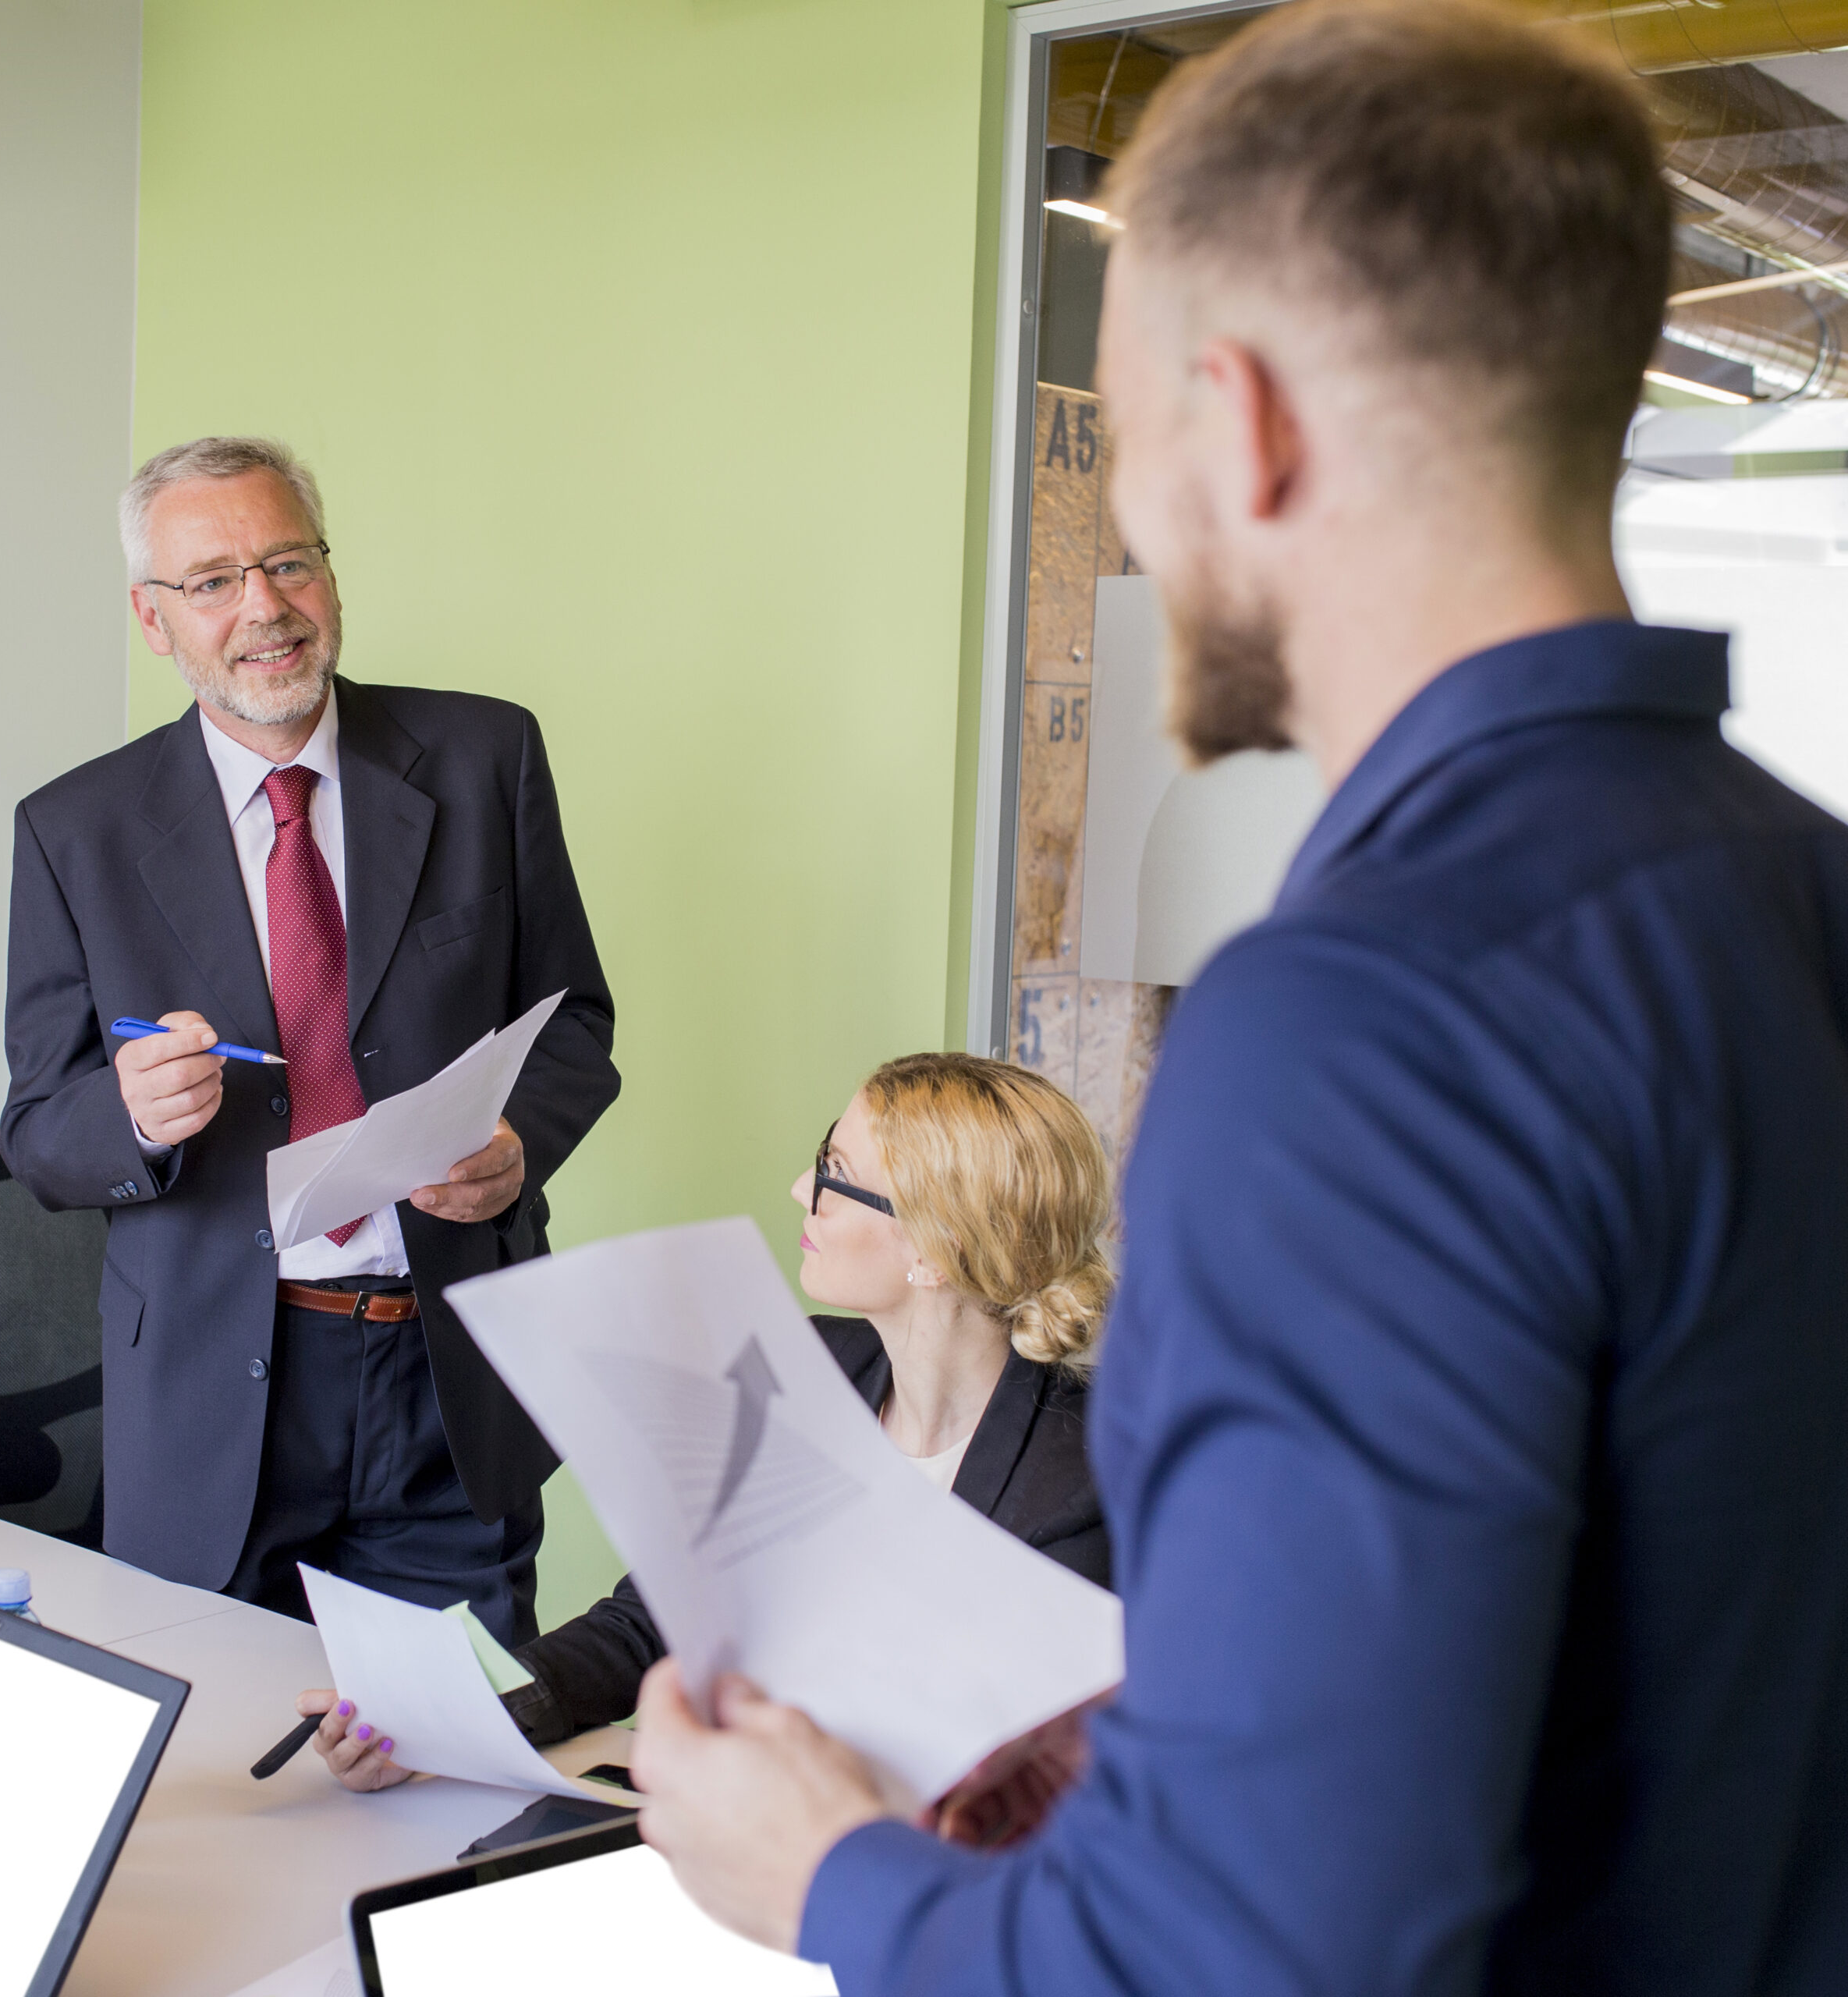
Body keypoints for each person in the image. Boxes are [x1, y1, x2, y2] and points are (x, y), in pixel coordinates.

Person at [625, 5, 1848, 1992]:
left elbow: (1264, 1954)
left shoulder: (1355, 1018)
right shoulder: (1799, 887)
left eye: (1122, 439)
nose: (1132, 520)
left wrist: (827, 1875)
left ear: (1244, 419)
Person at [0, 436, 619, 1646]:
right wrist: (130, 1115)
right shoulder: (74, 829)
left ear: (329, 574)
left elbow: (576, 1024)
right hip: (213, 1393)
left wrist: (515, 1144)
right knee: (215, 1789)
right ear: (153, 619)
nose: (264, 609)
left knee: (458, 1782)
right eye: (215, 580)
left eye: (288, 563)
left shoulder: (488, 760)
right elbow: (36, 1131)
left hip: (447, 1377)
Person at [295, 1052, 1112, 1789]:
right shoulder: (808, 1365)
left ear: (934, 1250)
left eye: (834, 1171)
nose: (802, 1189)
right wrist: (453, 1719)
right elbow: (652, 1622)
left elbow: (1010, 1780)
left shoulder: (1082, 1482)